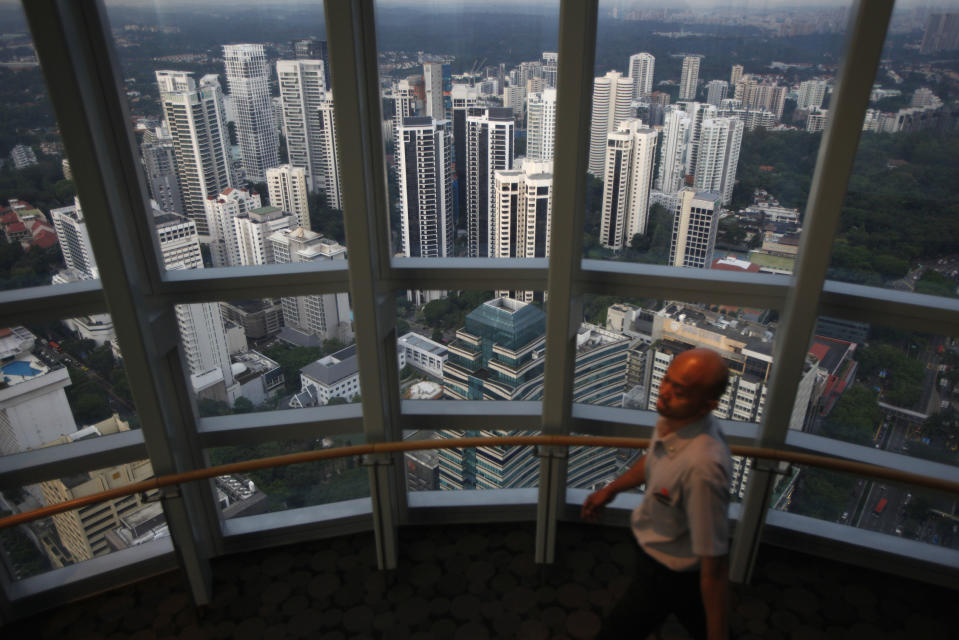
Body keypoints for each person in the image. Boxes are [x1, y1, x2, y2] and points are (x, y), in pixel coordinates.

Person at [582, 347, 732, 640]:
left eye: (681, 390)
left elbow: (714, 566)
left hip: (672, 571)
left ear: (707, 405)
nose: (664, 393)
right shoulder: (674, 419)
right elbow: (654, 460)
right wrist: (611, 489)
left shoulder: (704, 468)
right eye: (666, 380)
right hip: (660, 556)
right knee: (695, 618)